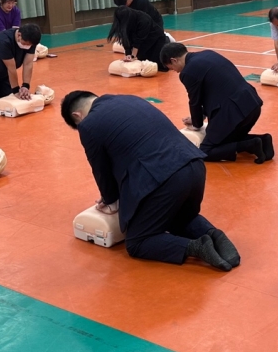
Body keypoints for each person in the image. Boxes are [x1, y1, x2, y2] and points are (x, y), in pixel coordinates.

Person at [62, 91, 239, 270]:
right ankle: (215, 235)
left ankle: (197, 247)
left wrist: (109, 200)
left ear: (77, 115)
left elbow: (100, 169)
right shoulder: (130, 99)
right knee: (180, 218)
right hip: (194, 165)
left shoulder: (88, 124)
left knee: (138, 242)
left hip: (165, 178)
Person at [160, 42, 273, 164]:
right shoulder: (208, 54)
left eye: (172, 68)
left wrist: (197, 124)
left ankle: (250, 145)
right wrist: (197, 118)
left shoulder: (187, 72)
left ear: (174, 60)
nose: (176, 72)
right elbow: (214, 91)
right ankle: (263, 140)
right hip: (251, 104)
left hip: (233, 111)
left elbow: (195, 101)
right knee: (226, 140)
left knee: (205, 151)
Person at [108, 6, 168, 71]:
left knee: (159, 66)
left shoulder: (143, 19)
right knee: (142, 64)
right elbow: (125, 37)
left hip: (156, 39)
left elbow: (138, 41)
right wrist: (128, 54)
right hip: (140, 39)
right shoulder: (123, 20)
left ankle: (167, 41)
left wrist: (133, 56)